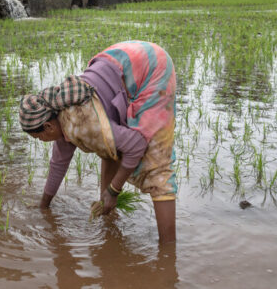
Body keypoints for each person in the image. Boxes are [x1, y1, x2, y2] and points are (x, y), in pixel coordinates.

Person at [19, 41, 177, 242]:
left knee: (157, 169)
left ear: (48, 127)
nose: (41, 141)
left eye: (38, 136)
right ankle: (109, 220)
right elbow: (58, 166)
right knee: (109, 144)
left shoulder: (81, 123)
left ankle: (168, 255)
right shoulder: (61, 116)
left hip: (152, 67)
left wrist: (113, 190)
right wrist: (43, 207)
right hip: (118, 57)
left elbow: (137, 145)